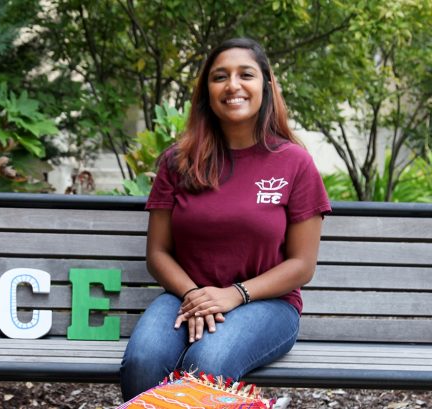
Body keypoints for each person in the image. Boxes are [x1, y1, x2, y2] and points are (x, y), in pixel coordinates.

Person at [120, 38, 331, 401]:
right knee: (144, 360)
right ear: (207, 92)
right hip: (185, 295)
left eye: (245, 74)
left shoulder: (294, 163)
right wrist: (195, 296)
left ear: (265, 85)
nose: (233, 85)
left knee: (207, 364)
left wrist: (234, 295)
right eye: (220, 77)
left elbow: (301, 265)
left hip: (268, 304)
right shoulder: (178, 161)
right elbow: (158, 253)